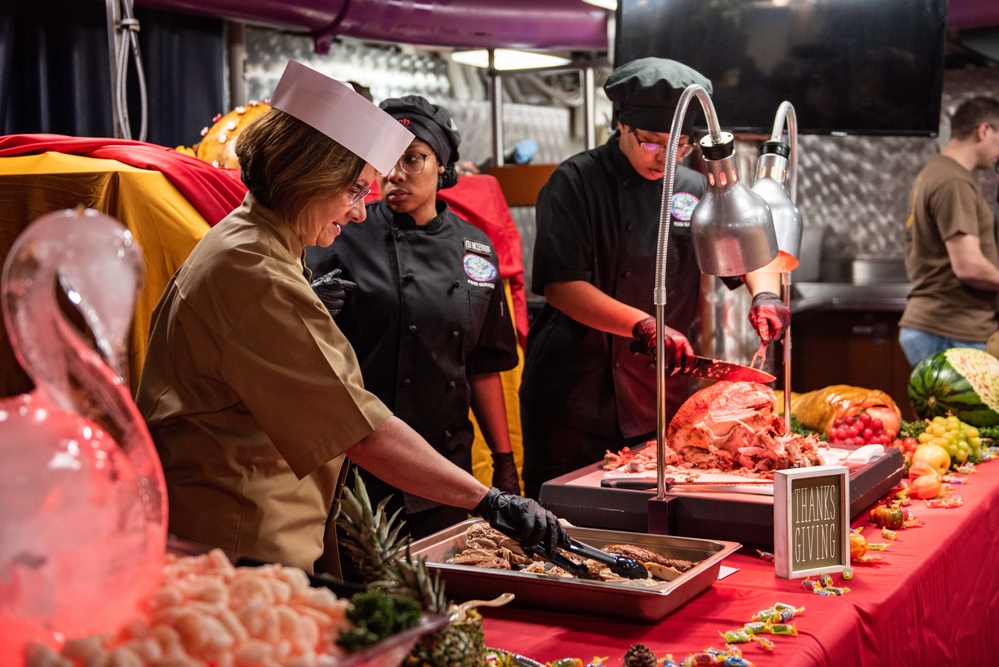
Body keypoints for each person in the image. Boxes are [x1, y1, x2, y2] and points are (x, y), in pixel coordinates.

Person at [134, 61, 567, 576]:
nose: (362, 212)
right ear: (308, 177)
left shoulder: (256, 240)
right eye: (357, 190)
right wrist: (490, 501)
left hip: (257, 525)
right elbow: (362, 431)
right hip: (238, 540)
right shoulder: (257, 272)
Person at [519, 57, 790, 499]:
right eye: (650, 143)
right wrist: (643, 324)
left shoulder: (696, 187)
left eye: (678, 145)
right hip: (572, 398)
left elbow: (746, 250)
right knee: (567, 517)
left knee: (646, 521)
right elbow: (562, 287)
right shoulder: (574, 182)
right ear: (622, 127)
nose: (664, 157)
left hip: (654, 397)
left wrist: (763, 294)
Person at [305, 95, 521, 540]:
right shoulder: (342, 231)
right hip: (359, 468)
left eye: (413, 158)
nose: (395, 174)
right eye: (385, 159)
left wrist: (504, 464)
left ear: (442, 165)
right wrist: (307, 302)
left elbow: (481, 369)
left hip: (444, 469)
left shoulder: (474, 248)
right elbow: (300, 345)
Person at [898, 96, 999, 367]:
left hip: (944, 327)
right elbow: (969, 267)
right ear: (984, 131)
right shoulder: (953, 180)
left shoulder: (937, 172)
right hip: (951, 329)